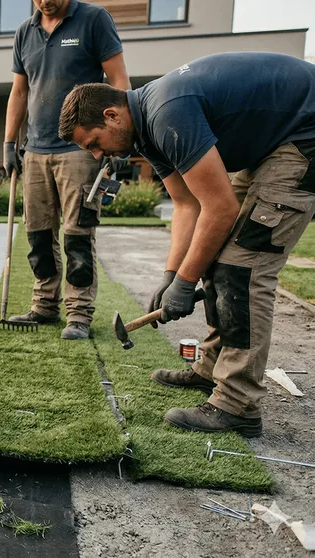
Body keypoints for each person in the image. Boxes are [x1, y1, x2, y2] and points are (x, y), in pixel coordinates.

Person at [58, 52, 315, 436]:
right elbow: (186, 205)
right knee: (215, 258)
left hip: (303, 137)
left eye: (95, 143)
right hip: (272, 144)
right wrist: (172, 275)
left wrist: (184, 283)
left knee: (244, 269)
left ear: (112, 115)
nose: (98, 156)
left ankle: (238, 404)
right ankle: (211, 367)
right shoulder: (144, 132)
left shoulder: (166, 114)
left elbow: (219, 208)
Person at [3, 0, 130, 340]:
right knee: (39, 235)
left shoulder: (93, 20)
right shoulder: (24, 32)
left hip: (81, 149)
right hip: (36, 148)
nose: (45, 1)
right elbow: (19, 90)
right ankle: (44, 305)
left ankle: (79, 314)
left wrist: (122, 136)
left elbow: (118, 78)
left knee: (77, 234)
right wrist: (9, 142)